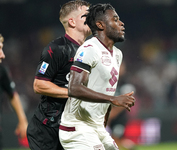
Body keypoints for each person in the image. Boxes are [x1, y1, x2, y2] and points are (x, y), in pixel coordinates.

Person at [59, 3, 135, 150]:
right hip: (77, 128)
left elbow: (106, 88)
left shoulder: (118, 54)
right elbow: (74, 88)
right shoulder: (89, 49)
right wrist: (113, 99)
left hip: (97, 128)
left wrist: (105, 118)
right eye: (115, 19)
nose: (121, 23)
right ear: (100, 25)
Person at [26, 0, 91, 150]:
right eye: (86, 15)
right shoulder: (56, 48)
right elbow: (39, 85)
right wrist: (75, 93)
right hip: (48, 129)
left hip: (72, 127)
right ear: (72, 22)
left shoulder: (90, 50)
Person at [0, 34, 28, 150]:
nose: (3, 55)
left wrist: (22, 120)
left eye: (2, 48)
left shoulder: (2, 71)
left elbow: (13, 94)